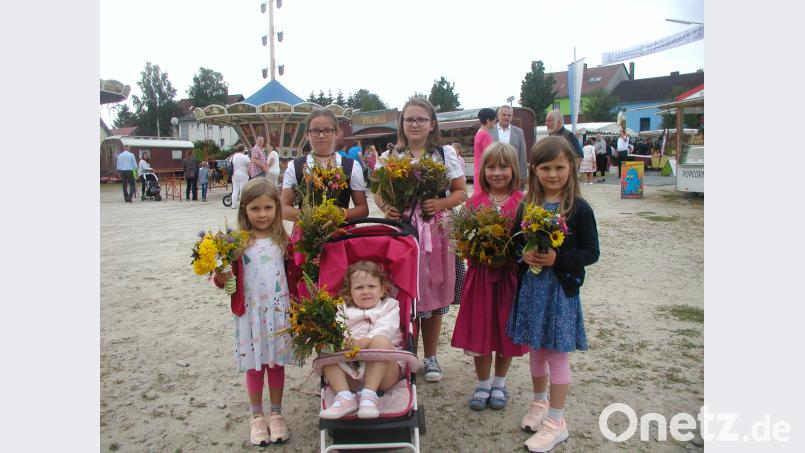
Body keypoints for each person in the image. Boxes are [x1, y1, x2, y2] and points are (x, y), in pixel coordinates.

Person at [507, 136, 599, 452]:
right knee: (536, 350)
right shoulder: (526, 205)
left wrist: (558, 259)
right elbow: (515, 243)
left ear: (571, 167)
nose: (553, 174)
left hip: (560, 291)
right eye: (545, 167)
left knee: (556, 354)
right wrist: (525, 255)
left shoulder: (579, 209)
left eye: (560, 167)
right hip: (533, 291)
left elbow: (591, 252)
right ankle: (539, 403)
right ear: (534, 169)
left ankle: (556, 422)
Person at [374, 99, 468, 383]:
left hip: (435, 233)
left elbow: (461, 192)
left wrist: (439, 202)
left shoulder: (445, 154)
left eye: (421, 119)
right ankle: (407, 354)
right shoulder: (391, 156)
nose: (414, 124)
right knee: (404, 293)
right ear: (402, 124)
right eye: (409, 119)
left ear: (432, 124)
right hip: (402, 232)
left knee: (434, 294)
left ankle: (431, 357)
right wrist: (386, 207)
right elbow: (378, 191)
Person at [212, 178, 293, 446]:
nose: (262, 214)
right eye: (255, 208)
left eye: (268, 208)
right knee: (255, 365)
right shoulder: (236, 242)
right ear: (244, 209)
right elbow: (227, 282)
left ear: (277, 209)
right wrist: (222, 277)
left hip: (279, 313)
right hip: (251, 314)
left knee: (276, 364)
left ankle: (277, 413)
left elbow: (294, 273)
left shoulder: (283, 239)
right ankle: (257, 416)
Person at [451, 142, 527, 411]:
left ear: (513, 169)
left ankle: (500, 383)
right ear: (483, 170)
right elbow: (462, 240)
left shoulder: (522, 202)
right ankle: (483, 384)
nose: (497, 172)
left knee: (506, 331)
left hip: (509, 278)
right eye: (492, 166)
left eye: (503, 166)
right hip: (481, 277)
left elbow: (526, 242)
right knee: (480, 330)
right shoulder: (475, 202)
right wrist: (474, 249)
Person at [319, 261, 403, 420]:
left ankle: (369, 396)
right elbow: (337, 329)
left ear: (382, 290)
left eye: (371, 286)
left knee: (381, 340)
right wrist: (344, 340)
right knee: (325, 341)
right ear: (349, 293)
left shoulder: (390, 306)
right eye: (359, 288)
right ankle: (344, 397)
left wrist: (365, 341)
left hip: (384, 372)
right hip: (350, 373)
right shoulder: (343, 310)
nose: (365, 291)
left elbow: (387, 327)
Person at [280, 109, 369, 222]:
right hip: (306, 234)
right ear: (307, 134)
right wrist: (311, 216)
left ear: (336, 133)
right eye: (315, 131)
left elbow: (363, 209)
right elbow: (283, 209)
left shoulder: (351, 166)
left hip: (342, 234)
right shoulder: (295, 166)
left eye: (327, 130)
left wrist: (340, 214)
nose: (321, 135)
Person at [491, 105, 528, 189]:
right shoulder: (489, 131)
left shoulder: (519, 132)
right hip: (495, 173)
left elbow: (523, 154)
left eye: (509, 115)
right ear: (498, 116)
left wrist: (523, 176)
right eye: (504, 115)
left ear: (512, 117)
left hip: (513, 173)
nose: (506, 117)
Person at [473, 108, 497, 189]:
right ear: (488, 121)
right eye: (494, 119)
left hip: (478, 168)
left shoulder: (479, 133)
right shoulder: (485, 135)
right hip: (484, 170)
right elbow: (490, 156)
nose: (495, 122)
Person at [231, 144, 251, 209]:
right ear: (243, 149)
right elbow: (249, 166)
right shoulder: (245, 157)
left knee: (235, 189)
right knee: (242, 189)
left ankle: (233, 204)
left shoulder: (234, 156)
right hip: (243, 174)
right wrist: (249, 173)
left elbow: (230, 163)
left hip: (235, 174)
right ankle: (241, 204)